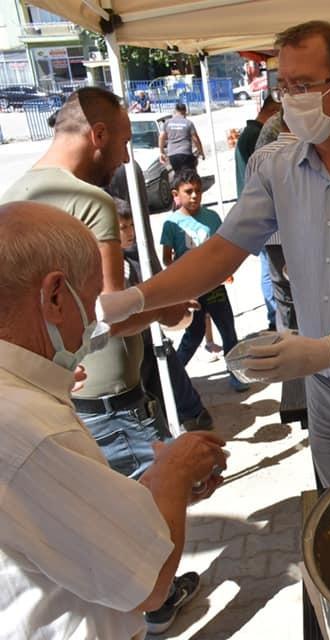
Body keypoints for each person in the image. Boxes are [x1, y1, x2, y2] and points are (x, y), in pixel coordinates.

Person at [104, 20, 330, 489]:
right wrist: (136, 300)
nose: (289, 97)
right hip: (323, 392)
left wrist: (325, 349)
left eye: (303, 86)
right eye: (284, 85)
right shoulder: (279, 167)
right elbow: (219, 252)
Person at [0, 201, 228, 639]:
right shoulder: (33, 432)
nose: (92, 325)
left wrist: (152, 492)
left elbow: (66, 523)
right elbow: (148, 585)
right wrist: (174, 474)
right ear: (54, 296)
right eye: (89, 302)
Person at [0, 87, 192, 479]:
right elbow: (109, 312)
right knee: (154, 519)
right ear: (99, 135)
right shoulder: (89, 201)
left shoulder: (15, 197)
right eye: (123, 143)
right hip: (113, 401)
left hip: (58, 397)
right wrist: (167, 308)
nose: (124, 157)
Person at [115, 199, 212, 432]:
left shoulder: (137, 259)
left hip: (151, 341)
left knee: (170, 370)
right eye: (122, 228)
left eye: (131, 226)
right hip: (131, 354)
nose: (130, 233)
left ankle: (193, 414)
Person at [160, 169, 248, 392]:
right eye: (188, 191)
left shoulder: (212, 218)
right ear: (175, 194)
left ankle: (237, 374)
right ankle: (174, 377)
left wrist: (225, 269)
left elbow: (223, 249)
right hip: (191, 292)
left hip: (214, 287)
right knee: (194, 334)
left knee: (228, 330)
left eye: (198, 191)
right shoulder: (171, 224)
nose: (194, 196)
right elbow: (166, 259)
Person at [248, 113, 299, 331]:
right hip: (306, 235)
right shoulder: (312, 152)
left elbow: (251, 203)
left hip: (273, 237)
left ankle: (288, 337)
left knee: (283, 294)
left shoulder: (259, 157)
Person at [235, 97, 282, 331]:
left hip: (265, 223)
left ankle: (276, 317)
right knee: (270, 272)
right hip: (268, 224)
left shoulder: (250, 135)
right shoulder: (259, 142)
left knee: (272, 272)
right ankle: (274, 316)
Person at [160, 102, 205, 173]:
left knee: (178, 175)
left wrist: (162, 152)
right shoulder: (188, 123)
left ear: (175, 111)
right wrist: (201, 152)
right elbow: (196, 139)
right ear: (185, 111)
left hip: (172, 155)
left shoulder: (167, 123)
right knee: (189, 175)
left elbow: (161, 137)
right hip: (185, 154)